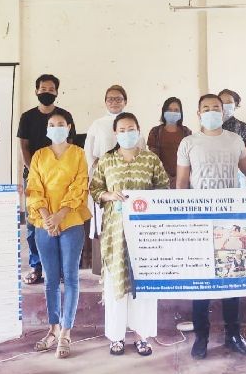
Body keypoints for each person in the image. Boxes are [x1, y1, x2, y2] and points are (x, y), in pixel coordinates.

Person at [176, 94, 246, 360]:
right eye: (205, 108)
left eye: (215, 108)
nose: (211, 111)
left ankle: (233, 335)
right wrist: (183, 220)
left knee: (233, 278)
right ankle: (201, 337)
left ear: (223, 112)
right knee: (201, 282)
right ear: (198, 114)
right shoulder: (188, 143)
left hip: (231, 220)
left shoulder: (234, 140)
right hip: (199, 220)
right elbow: (182, 183)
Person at [90, 112, 169, 357]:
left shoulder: (151, 160)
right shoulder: (106, 160)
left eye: (131, 128)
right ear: (115, 133)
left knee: (143, 282)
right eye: (122, 130)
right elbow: (94, 190)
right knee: (117, 282)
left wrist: (146, 200)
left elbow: (164, 188)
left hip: (145, 234)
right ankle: (116, 337)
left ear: (138, 130)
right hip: (115, 232)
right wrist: (109, 195)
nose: (127, 133)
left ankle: (141, 335)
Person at [26, 111, 91, 359]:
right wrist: (46, 217)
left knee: (71, 277)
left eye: (61, 124)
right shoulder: (39, 156)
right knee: (51, 279)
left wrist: (61, 215)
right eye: (52, 125)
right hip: (43, 223)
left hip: (71, 221)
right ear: (47, 129)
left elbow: (80, 185)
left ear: (69, 127)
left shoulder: (78, 154)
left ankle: (66, 332)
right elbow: (34, 187)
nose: (56, 127)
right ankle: (52, 329)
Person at [17, 74, 77, 286]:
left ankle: (58, 268)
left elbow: (71, 147)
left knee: (62, 221)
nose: (47, 92)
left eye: (51, 89)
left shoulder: (65, 115)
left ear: (57, 92)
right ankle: (36, 266)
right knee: (35, 223)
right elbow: (24, 146)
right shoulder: (27, 117)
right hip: (34, 177)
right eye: (43, 88)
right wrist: (32, 170)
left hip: (62, 180)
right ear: (36, 91)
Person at [84, 85, 144, 239]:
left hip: (131, 175)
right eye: (110, 99)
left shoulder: (132, 122)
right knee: (108, 217)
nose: (114, 102)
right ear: (105, 102)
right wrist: (97, 166)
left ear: (125, 101)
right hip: (106, 176)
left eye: (118, 99)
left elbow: (141, 149)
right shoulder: (97, 124)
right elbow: (88, 151)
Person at [147, 97, 192, 188]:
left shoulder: (186, 132)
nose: (173, 112)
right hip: (160, 179)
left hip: (183, 179)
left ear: (180, 113)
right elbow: (153, 158)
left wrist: (179, 177)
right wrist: (165, 176)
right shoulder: (155, 132)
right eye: (169, 110)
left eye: (176, 110)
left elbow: (190, 158)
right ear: (164, 112)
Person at [218, 89, 246, 188]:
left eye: (229, 102)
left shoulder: (244, 127)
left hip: (237, 173)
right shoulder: (211, 127)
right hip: (216, 175)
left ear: (236, 104)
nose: (225, 105)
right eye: (222, 102)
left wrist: (240, 167)